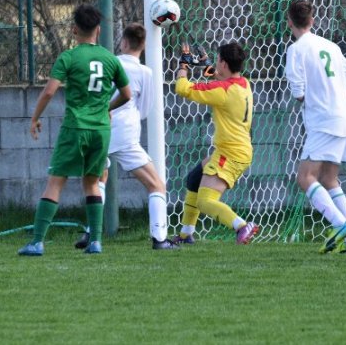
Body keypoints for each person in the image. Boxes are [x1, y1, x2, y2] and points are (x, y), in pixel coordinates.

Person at [18, 4, 131, 256]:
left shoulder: (68, 57)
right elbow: (127, 94)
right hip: (101, 130)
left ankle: (37, 242)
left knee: (56, 182)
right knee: (92, 183)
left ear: (73, 30)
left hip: (75, 128)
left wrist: (35, 118)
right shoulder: (110, 59)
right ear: (98, 30)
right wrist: (106, 108)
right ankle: (96, 241)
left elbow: (49, 91)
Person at [74, 23, 176, 251]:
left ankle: (92, 233)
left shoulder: (108, 62)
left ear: (124, 42)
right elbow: (145, 108)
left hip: (97, 127)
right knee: (156, 185)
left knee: (99, 179)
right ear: (143, 45)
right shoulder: (145, 72)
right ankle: (159, 239)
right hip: (125, 134)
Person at [285, 0, 346, 254]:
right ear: (313, 20)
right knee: (329, 178)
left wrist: (321, 104)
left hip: (323, 120)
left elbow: (298, 92)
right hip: (345, 118)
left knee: (305, 177)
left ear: (289, 22)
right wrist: (342, 109)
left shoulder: (296, 50)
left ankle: (341, 226)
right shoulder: (332, 46)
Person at [171, 41, 260, 245]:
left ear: (224, 64)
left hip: (230, 154)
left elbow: (182, 88)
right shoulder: (243, 83)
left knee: (205, 201)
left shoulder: (222, 91)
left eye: (217, 59)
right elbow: (219, 80)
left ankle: (241, 225)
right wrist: (205, 65)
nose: (216, 62)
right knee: (194, 179)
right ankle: (186, 234)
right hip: (235, 149)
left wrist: (183, 65)